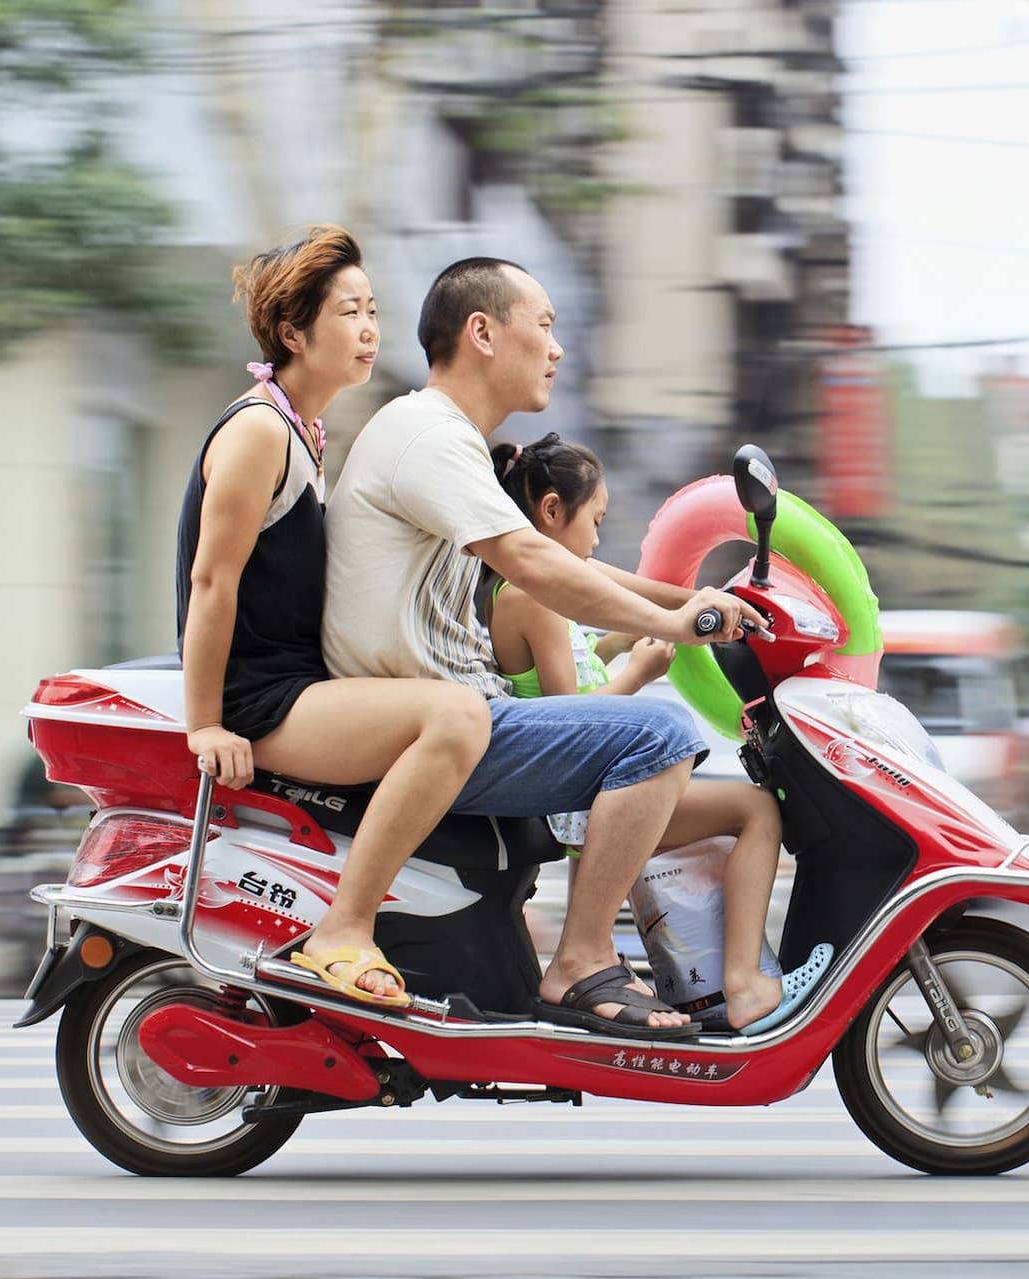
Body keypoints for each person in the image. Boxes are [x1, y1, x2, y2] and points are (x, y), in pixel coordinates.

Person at [322, 256, 751, 1040]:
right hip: (438, 724)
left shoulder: (447, 440)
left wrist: (692, 601)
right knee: (660, 735)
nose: (557, 349)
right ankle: (582, 959)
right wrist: (676, 625)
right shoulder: (429, 437)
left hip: (455, 713)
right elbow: (538, 564)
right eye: (544, 326)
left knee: (648, 733)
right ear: (482, 333)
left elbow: (568, 562)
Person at [178, 225, 496, 1009]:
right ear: (293, 332)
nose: (368, 330)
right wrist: (206, 725)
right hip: (266, 698)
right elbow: (211, 582)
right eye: (349, 312)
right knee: (454, 719)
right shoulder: (258, 431)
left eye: (372, 310)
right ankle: (342, 930)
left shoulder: (304, 432)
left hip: (298, 682)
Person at [483, 431, 827, 1032]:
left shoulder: (547, 583)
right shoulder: (531, 595)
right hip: (578, 797)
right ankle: (744, 984)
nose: (596, 539)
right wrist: (639, 672)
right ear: (552, 512)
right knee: (756, 812)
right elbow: (572, 724)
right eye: (595, 520)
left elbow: (630, 602)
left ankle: (716, 980)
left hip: (586, 785)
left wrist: (696, 612)